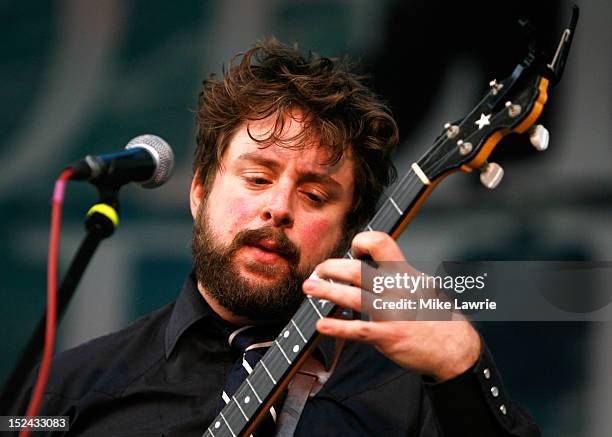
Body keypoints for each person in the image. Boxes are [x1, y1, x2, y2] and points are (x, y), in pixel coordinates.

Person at [14, 38, 540, 436]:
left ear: (347, 234)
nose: (278, 208)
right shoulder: (68, 393)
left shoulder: (407, 396)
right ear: (199, 192)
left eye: (315, 195)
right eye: (258, 178)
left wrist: (463, 365)